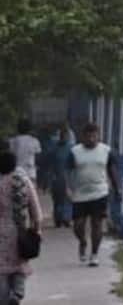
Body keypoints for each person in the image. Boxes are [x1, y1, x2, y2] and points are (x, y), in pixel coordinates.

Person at [64, 125, 112, 268]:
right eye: (88, 136)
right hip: (80, 193)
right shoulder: (75, 152)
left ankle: (94, 254)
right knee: (78, 225)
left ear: (98, 136)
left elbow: (111, 168)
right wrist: (67, 187)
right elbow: (67, 170)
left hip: (100, 192)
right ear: (83, 137)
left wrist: (117, 188)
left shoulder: (106, 150)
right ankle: (83, 241)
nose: (91, 139)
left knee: (97, 224)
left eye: (94, 136)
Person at [0, 147, 40, 304]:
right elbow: (35, 210)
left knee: (1, 271)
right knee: (19, 266)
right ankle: (17, 294)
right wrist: (36, 229)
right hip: (19, 231)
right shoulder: (22, 181)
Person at [38, 130, 67, 232]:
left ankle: (62, 218)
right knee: (58, 200)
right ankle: (60, 219)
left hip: (63, 178)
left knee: (62, 200)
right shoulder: (56, 150)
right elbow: (47, 165)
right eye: (62, 136)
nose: (62, 138)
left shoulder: (68, 149)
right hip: (57, 178)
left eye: (64, 136)